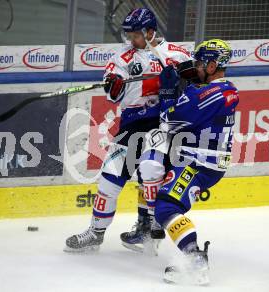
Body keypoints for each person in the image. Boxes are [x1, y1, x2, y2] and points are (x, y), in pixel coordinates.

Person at [64, 7, 191, 253]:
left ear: (150, 32)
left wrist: (178, 81)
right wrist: (114, 84)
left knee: (150, 175)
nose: (131, 40)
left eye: (135, 35)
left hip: (163, 125)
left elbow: (195, 86)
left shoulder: (177, 54)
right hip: (132, 125)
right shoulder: (123, 57)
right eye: (129, 35)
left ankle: (147, 229)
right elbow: (114, 96)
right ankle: (95, 233)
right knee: (109, 179)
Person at [139, 39, 239, 284]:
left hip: (197, 165)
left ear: (213, 66)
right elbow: (199, 103)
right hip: (206, 163)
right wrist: (192, 82)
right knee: (167, 201)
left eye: (200, 63)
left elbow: (168, 121)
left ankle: (195, 259)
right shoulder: (228, 89)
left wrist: (167, 92)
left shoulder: (205, 93)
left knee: (166, 207)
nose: (196, 67)